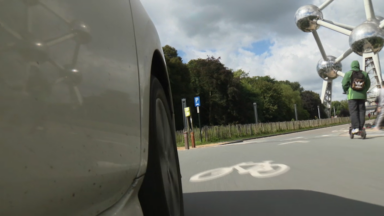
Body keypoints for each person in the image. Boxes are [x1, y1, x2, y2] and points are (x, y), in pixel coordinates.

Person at [342, 60, 371, 134]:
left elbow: (344, 83)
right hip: (362, 96)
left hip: (352, 96)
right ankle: (361, 127)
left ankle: (356, 127)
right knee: (361, 111)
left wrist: (346, 90)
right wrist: (364, 90)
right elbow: (368, 83)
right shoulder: (364, 74)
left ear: (352, 66)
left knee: (354, 111)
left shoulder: (348, 73)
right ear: (358, 65)